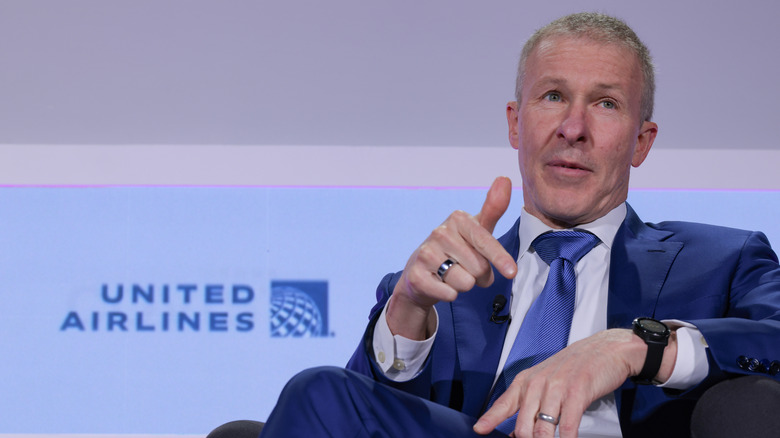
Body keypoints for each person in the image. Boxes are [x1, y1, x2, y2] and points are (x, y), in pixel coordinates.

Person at [254, 12, 780, 438]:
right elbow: (356, 418)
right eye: (552, 96)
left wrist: (637, 347)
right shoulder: (442, 285)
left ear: (641, 141)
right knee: (318, 391)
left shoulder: (723, 260)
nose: (573, 128)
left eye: (606, 103)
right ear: (514, 122)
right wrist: (407, 309)